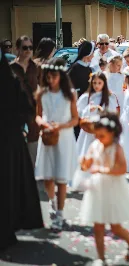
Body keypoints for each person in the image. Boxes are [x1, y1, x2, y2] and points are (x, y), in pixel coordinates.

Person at [79, 112, 129, 264]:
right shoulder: (94, 145)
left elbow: (122, 169)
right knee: (98, 226)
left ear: (112, 133)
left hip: (113, 188)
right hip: (97, 189)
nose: (98, 138)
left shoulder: (117, 148)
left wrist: (104, 170)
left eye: (102, 135)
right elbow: (87, 166)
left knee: (115, 227)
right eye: (96, 135)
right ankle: (101, 258)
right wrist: (83, 163)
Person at [0, 47, 43, 250]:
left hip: (9, 139)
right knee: (9, 186)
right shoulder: (11, 80)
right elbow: (26, 108)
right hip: (10, 140)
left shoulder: (11, 80)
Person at [35, 57, 79, 230]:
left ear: (61, 76)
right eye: (48, 76)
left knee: (61, 179)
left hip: (65, 138)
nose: (51, 79)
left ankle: (59, 215)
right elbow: (38, 115)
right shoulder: (42, 94)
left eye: (54, 76)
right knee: (47, 179)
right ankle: (53, 202)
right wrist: (42, 123)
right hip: (46, 137)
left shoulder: (70, 94)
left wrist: (61, 125)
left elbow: (76, 119)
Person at [10, 36, 39, 165]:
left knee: (34, 158)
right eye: (25, 47)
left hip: (34, 117)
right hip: (15, 117)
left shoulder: (36, 68)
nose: (28, 50)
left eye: (30, 48)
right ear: (17, 49)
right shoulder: (10, 68)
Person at [76, 72, 118, 158]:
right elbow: (79, 113)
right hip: (88, 128)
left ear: (104, 83)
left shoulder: (109, 98)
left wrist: (102, 112)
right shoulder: (86, 97)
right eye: (94, 83)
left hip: (102, 129)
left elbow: (112, 113)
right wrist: (88, 110)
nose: (96, 85)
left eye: (99, 83)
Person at [68, 41, 95, 138]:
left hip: (87, 105)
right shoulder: (74, 68)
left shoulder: (89, 69)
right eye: (92, 53)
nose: (93, 56)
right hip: (76, 106)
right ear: (88, 53)